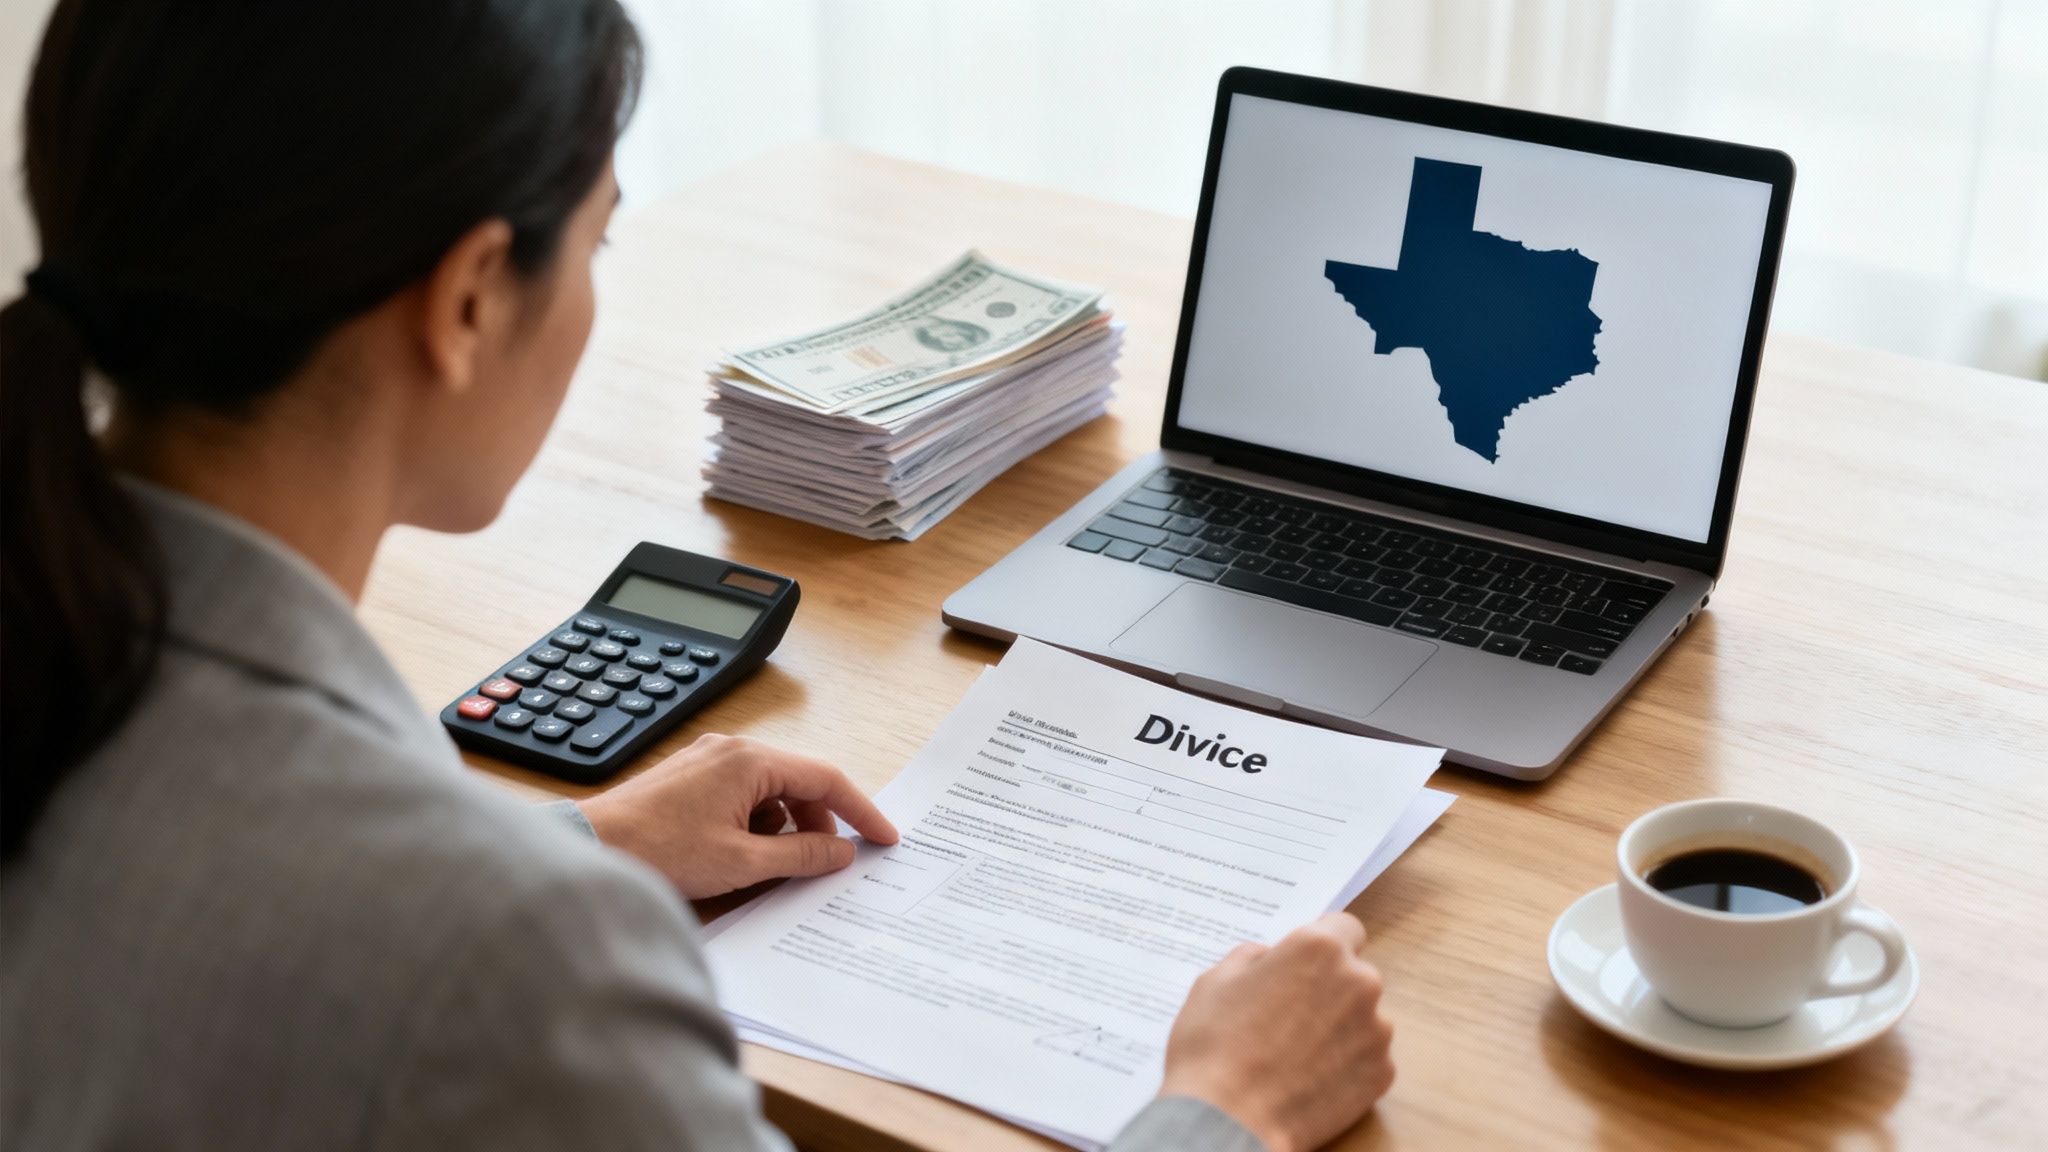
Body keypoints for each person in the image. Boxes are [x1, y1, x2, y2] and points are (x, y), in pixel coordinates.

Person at [0, 3, 1396, 1150]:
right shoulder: (516, 965)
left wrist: (577, 845)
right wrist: (1230, 1110)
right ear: (472, 297)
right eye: (599, 236)